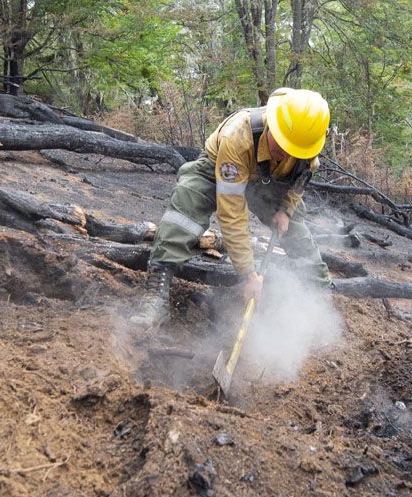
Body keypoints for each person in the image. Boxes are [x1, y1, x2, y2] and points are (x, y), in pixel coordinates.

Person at [131, 87, 332, 329]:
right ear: (272, 123)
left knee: (296, 230)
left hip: (265, 182)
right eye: (281, 145)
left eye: (293, 151)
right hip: (218, 170)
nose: (286, 153)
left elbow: (299, 182)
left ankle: (321, 296)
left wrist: (286, 210)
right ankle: (156, 292)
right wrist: (248, 274)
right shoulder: (238, 136)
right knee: (186, 204)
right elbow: (232, 214)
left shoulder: (307, 149)